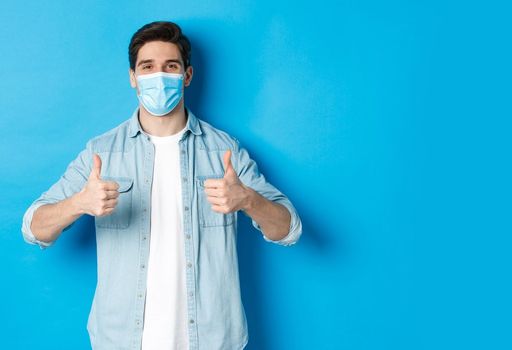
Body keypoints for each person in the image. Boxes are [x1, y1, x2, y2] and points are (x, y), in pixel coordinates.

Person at [20, 21, 302, 350]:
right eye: (147, 67)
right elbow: (33, 228)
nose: (159, 76)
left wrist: (249, 200)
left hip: (211, 341)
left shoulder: (224, 151)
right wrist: (78, 203)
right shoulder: (102, 152)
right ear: (133, 77)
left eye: (170, 66)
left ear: (187, 76)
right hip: (122, 341)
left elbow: (289, 229)